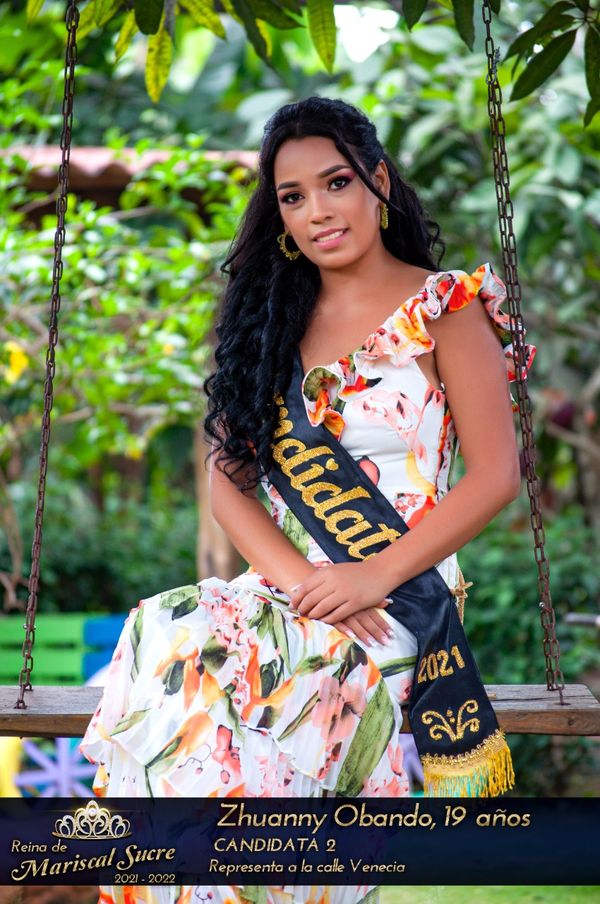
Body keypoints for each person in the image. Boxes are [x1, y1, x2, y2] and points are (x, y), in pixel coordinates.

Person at [80, 96, 536, 904]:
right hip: (290, 590)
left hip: (400, 591)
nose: (318, 210)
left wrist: (368, 577)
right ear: (282, 218)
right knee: (170, 631)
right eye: (293, 196)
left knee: (295, 685)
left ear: (378, 183)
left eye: (336, 183)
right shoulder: (273, 324)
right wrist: (301, 584)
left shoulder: (446, 308)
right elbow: (228, 487)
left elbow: (496, 476)